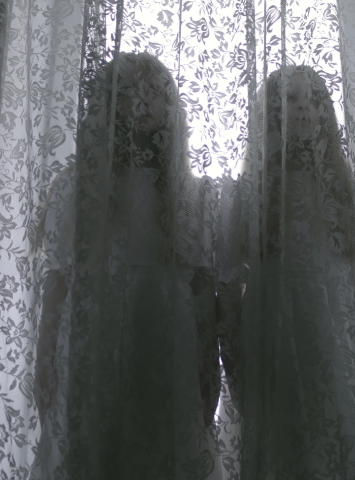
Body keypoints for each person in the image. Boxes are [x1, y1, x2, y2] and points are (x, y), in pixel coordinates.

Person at [34, 52, 219, 479]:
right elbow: (57, 282)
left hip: (165, 348)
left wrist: (209, 369)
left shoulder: (192, 195)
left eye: (154, 91)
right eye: (131, 90)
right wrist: (45, 361)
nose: (143, 100)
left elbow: (203, 292)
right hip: (92, 347)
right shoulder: (76, 187)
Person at [218, 65, 355, 479]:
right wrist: (234, 367)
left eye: (314, 100)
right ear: (271, 113)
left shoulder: (348, 192)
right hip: (271, 343)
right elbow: (228, 285)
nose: (305, 109)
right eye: (292, 99)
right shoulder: (247, 194)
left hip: (335, 343)